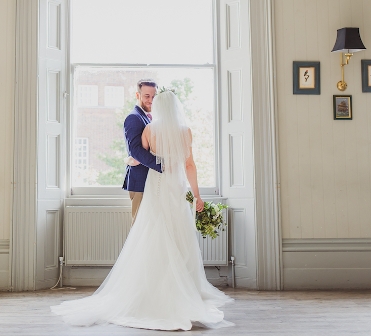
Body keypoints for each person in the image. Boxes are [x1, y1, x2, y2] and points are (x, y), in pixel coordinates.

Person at [51, 89, 234, 331]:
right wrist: (197, 195)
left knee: (151, 233)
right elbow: (190, 165)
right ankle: (180, 291)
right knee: (178, 234)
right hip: (176, 188)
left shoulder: (150, 130)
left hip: (157, 186)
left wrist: (134, 160)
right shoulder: (186, 132)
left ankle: (150, 291)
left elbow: (139, 155)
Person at [122, 79, 163, 225]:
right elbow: (136, 151)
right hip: (140, 182)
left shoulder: (147, 117)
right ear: (137, 95)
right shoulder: (134, 118)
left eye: (154, 96)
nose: (151, 100)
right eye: (147, 96)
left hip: (149, 181)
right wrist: (162, 165)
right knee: (140, 228)